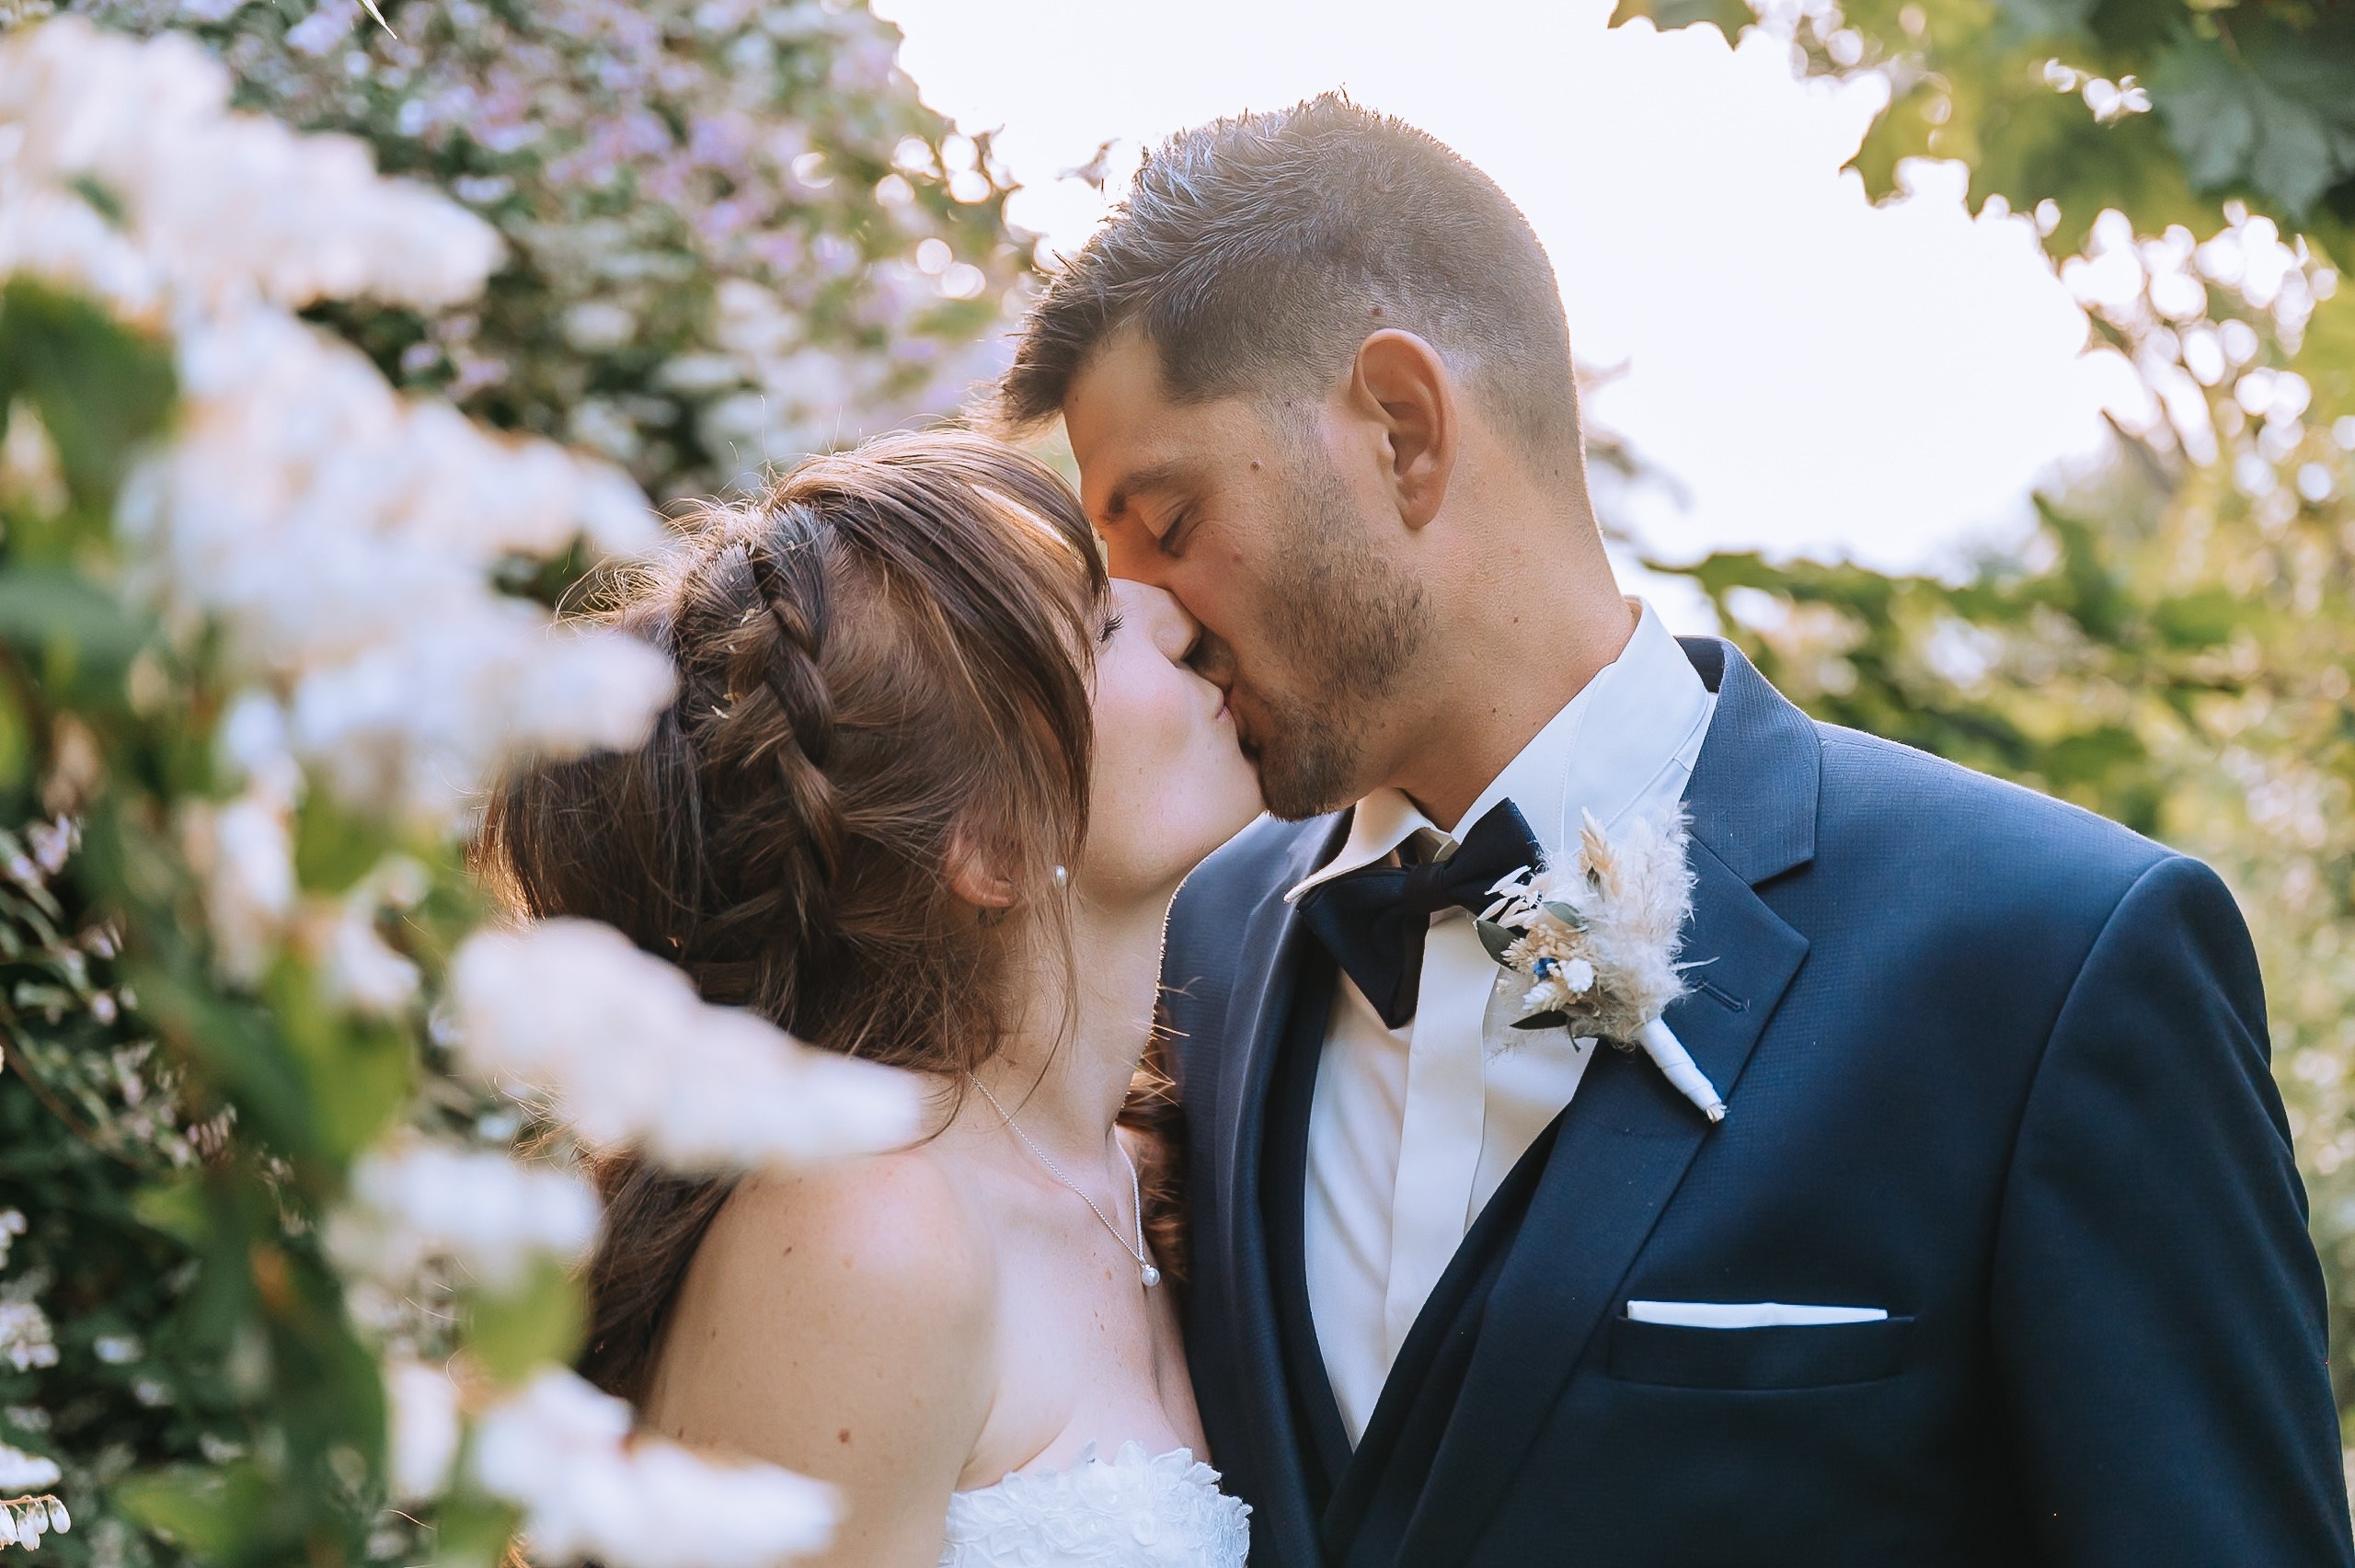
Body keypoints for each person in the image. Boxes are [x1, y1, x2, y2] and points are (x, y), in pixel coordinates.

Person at [995, 93, 2355, 1566]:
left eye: (1172, 522)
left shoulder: (2050, 964)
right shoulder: (1195, 944)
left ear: (1402, 429)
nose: (1160, 629)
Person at [479, 432, 1261, 1566]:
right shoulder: (868, 1229)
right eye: (1098, 628)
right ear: (988, 845)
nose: (1174, 612)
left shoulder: (1140, 1168)